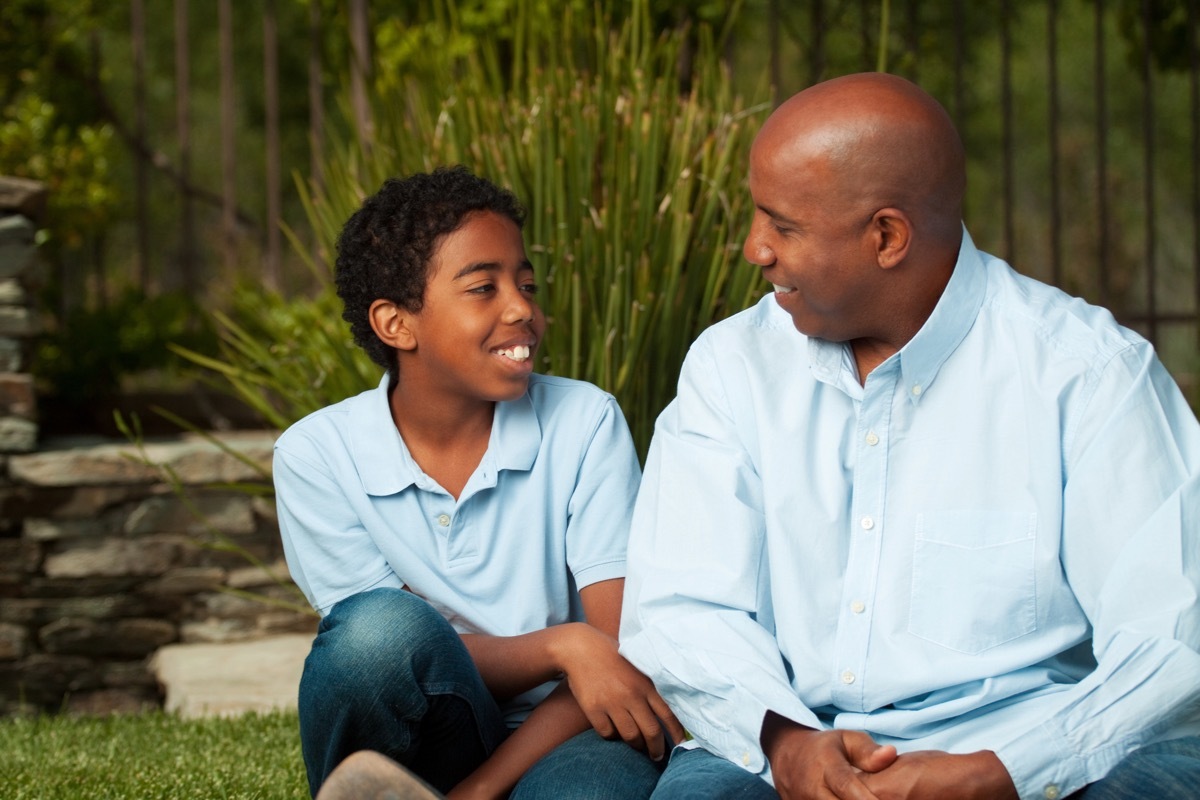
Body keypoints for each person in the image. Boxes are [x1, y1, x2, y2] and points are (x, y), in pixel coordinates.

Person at [619, 72, 1200, 800]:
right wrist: (788, 744)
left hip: (1031, 756)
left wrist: (1005, 773)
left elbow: (1175, 638)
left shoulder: (1088, 374)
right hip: (775, 748)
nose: (753, 249)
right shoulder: (730, 367)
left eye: (782, 225)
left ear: (886, 236)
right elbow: (680, 607)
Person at [274, 166, 683, 800]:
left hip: (575, 724)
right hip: (427, 732)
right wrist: (564, 644)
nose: (523, 309)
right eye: (482, 288)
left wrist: (480, 790)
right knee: (375, 632)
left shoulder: (584, 420)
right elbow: (390, 659)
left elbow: (617, 654)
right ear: (396, 324)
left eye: (525, 284)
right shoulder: (317, 455)